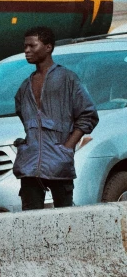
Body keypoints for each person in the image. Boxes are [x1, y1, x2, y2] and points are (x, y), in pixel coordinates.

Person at [13, 26, 98, 210]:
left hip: (59, 163)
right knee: (30, 221)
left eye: (32, 46)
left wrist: (67, 148)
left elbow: (88, 115)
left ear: (48, 47)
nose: (26, 51)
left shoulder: (67, 79)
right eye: (25, 46)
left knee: (65, 218)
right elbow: (24, 116)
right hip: (29, 165)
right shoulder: (24, 86)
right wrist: (28, 143)